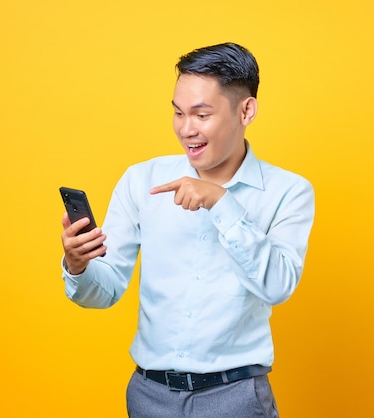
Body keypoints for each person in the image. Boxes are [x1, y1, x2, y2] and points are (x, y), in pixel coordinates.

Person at [60, 42, 315, 417]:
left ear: (246, 110)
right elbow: (106, 290)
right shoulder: (141, 180)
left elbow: (277, 287)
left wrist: (222, 204)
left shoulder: (289, 192)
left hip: (236, 398)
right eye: (178, 113)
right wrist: (78, 266)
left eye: (201, 114)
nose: (186, 129)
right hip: (149, 396)